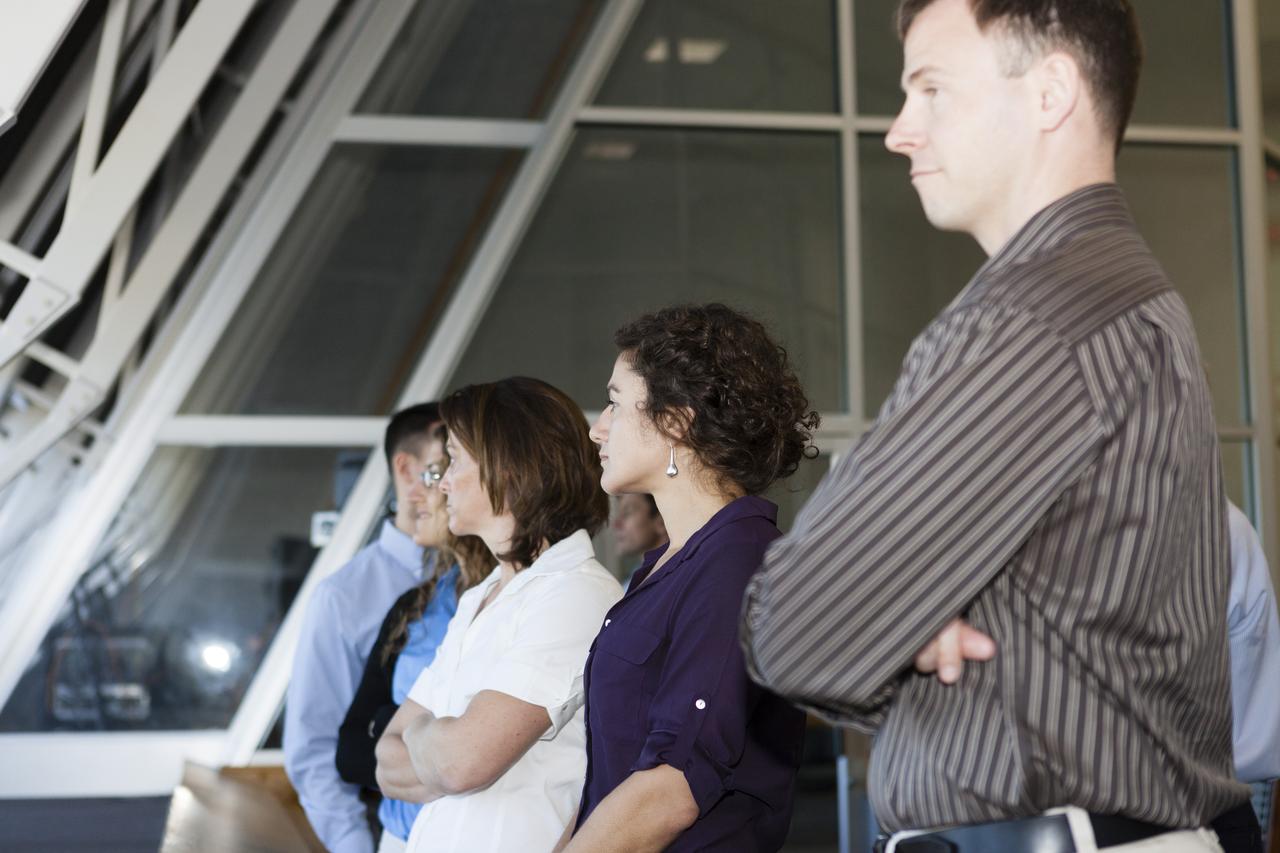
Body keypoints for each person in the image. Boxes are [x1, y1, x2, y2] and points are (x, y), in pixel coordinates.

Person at [741, 1, 1251, 850]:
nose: (900, 131)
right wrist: (895, 625)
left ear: (1051, 91)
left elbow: (789, 624)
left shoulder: (1031, 319)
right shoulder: (1130, 299)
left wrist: (883, 623)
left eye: (930, 89)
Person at [564, 303, 818, 852]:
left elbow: (671, 788)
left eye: (613, 403)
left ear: (675, 421)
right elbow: (613, 780)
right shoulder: (667, 565)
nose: (596, 430)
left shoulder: (737, 563)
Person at [374, 377, 622, 852]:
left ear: (507, 469)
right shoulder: (482, 593)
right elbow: (386, 760)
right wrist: (444, 749)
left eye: (456, 459)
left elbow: (462, 763)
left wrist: (426, 735)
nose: (442, 481)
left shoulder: (574, 593)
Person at [284, 403, 445, 853]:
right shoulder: (344, 596)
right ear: (407, 469)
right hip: (384, 824)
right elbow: (314, 746)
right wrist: (357, 847)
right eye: (445, 462)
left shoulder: (487, 581)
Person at [335, 421, 493, 853]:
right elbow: (350, 751)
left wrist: (391, 726)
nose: (418, 493)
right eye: (427, 475)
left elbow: (478, 760)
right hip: (401, 838)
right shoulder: (415, 606)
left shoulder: (514, 600)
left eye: (439, 473)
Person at [611, 493, 668, 579]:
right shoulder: (632, 582)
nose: (616, 524)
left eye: (627, 513)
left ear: (661, 521)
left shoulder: (678, 576)